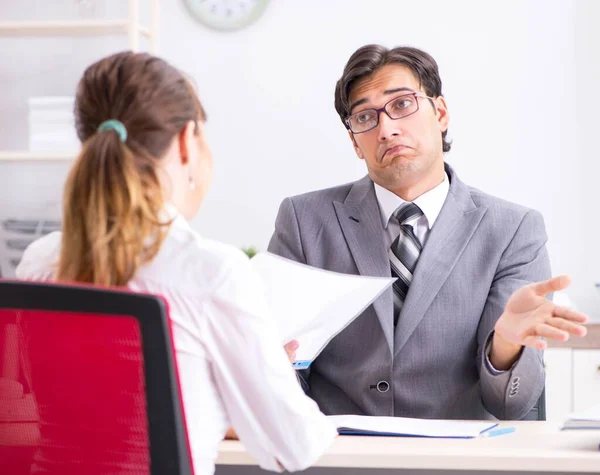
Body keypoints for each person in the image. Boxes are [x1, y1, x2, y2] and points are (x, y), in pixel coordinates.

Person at [16, 51, 336, 475]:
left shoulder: (38, 262)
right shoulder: (210, 272)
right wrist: (264, 373)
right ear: (187, 141)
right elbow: (294, 448)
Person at [270, 45, 588, 420]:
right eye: (365, 117)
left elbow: (510, 405)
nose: (386, 128)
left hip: (456, 459)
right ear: (355, 142)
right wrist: (271, 367)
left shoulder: (513, 229)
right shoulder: (304, 219)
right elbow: (279, 370)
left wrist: (506, 345)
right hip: (337, 453)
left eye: (401, 105)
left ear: (439, 112)